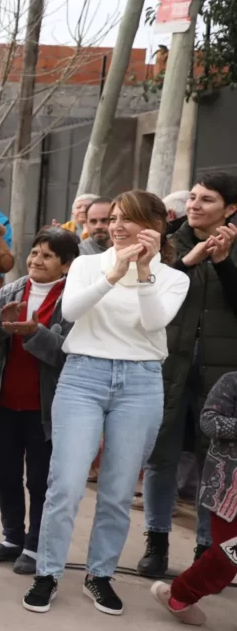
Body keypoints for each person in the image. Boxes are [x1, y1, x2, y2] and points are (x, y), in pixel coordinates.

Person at [22, 190, 189, 616]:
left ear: (155, 227)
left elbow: (153, 323)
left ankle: (100, 575)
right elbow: (72, 311)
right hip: (84, 376)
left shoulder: (174, 278)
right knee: (67, 483)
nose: (116, 226)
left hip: (141, 382)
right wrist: (113, 274)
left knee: (116, 491)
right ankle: (48, 571)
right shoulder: (86, 263)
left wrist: (145, 272)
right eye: (113, 217)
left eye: (127, 219)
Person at [136, 173, 237, 578]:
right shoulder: (168, 241)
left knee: (213, 461)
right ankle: (156, 544)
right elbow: (146, 289)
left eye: (207, 200)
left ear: (229, 209)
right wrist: (187, 261)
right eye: (193, 197)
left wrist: (223, 263)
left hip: (223, 372)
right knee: (162, 456)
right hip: (168, 361)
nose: (195, 205)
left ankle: (205, 552)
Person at [0, 228, 79, 576]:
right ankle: (11, 538)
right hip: (3, 400)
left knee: (39, 480)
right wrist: (0, 326)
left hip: (45, 408)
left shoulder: (73, 300)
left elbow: (68, 355)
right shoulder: (11, 289)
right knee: (4, 473)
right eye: (34, 252)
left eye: (47, 256)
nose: (36, 260)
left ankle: (36, 545)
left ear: (66, 265)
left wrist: (35, 333)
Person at [149, 369, 237, 626]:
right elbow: (209, 421)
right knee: (227, 555)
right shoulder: (231, 382)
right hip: (228, 491)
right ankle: (178, 595)